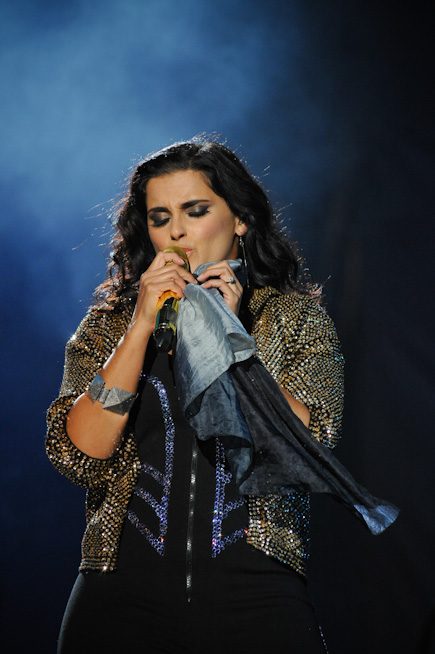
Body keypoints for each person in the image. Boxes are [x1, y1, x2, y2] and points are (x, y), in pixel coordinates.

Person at [46, 137, 345, 653]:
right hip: (120, 595)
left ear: (240, 220)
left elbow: (309, 449)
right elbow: (79, 455)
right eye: (160, 217)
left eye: (196, 210)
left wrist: (231, 341)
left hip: (257, 595)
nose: (176, 232)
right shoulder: (109, 324)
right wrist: (139, 327)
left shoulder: (294, 319)